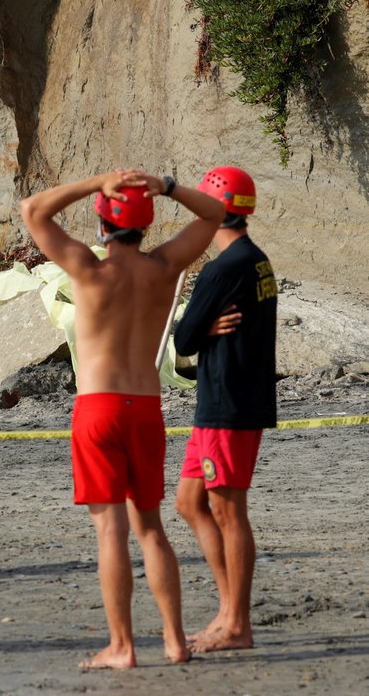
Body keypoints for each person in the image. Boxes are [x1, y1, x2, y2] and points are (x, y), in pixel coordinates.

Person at [20, 169, 225, 669]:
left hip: (99, 408)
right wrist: (168, 186)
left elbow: (33, 210)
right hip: (145, 409)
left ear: (102, 223)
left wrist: (97, 182)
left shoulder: (88, 270)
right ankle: (175, 640)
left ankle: (122, 646)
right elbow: (216, 213)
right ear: (146, 223)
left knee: (111, 531)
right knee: (151, 528)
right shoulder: (164, 268)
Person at [173, 166, 277, 653]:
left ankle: (237, 622)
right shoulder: (255, 259)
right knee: (190, 503)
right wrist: (208, 327)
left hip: (229, 402)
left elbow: (184, 338)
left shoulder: (223, 268)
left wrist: (204, 327)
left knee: (227, 509)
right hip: (223, 399)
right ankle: (227, 609)